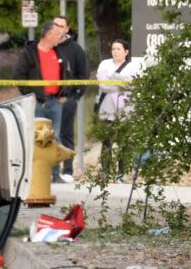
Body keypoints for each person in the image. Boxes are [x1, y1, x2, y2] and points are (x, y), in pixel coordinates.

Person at [14, 19, 69, 181]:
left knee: (55, 138)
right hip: (37, 103)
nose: (60, 37)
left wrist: (63, 93)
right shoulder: (29, 53)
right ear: (48, 34)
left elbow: (65, 74)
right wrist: (31, 95)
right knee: (37, 138)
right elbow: (18, 76)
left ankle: (55, 174)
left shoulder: (58, 52)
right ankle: (37, 174)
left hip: (55, 102)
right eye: (57, 34)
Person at [95, 39, 143, 177]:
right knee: (107, 140)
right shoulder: (105, 64)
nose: (115, 52)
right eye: (113, 49)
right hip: (108, 108)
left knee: (125, 141)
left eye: (118, 49)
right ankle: (105, 171)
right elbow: (103, 85)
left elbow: (133, 85)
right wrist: (121, 81)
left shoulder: (134, 66)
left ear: (126, 52)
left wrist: (114, 80)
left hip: (126, 108)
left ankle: (122, 173)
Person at [54, 16, 90, 183]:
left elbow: (83, 75)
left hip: (67, 99)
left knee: (66, 134)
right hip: (47, 100)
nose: (58, 28)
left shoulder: (75, 49)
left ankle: (67, 170)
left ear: (67, 29)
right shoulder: (46, 46)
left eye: (61, 26)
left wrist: (75, 96)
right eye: (55, 25)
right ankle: (50, 170)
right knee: (47, 135)